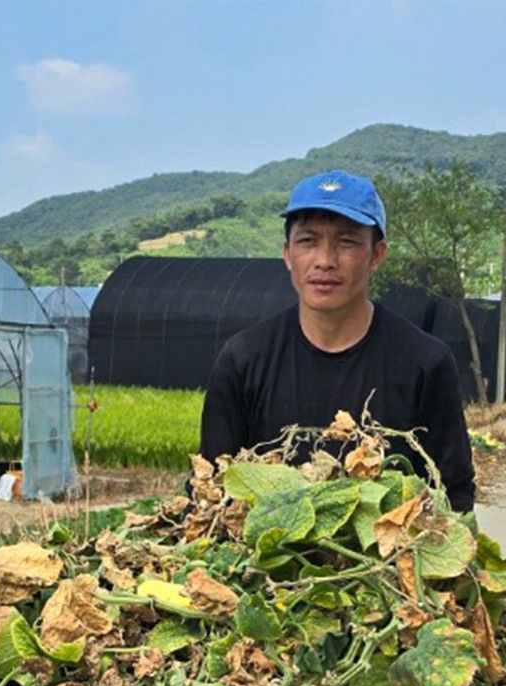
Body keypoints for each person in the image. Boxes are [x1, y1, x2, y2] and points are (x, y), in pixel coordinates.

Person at [199, 169, 475, 511]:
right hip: (263, 560)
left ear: (376, 255)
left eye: (346, 242)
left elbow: (454, 492)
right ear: (287, 253)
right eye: (308, 241)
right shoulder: (243, 359)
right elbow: (211, 487)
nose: (325, 261)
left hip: (381, 561)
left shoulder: (425, 362)